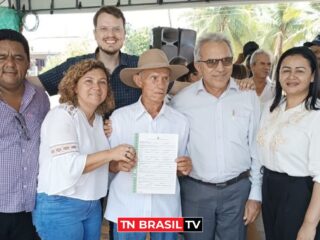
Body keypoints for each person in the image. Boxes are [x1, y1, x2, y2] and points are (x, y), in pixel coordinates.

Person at [32, 59, 136, 240]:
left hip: (92, 204)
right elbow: (69, 166)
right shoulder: (62, 115)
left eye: (102, 82)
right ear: (74, 87)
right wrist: (112, 153)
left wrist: (115, 166)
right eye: (89, 81)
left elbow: (97, 163)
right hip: (60, 204)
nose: (96, 86)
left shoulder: (98, 119)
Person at [171, 32, 262, 240]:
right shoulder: (181, 102)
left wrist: (255, 195)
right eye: (211, 62)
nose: (220, 68)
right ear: (198, 66)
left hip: (237, 193)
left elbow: (257, 148)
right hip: (194, 194)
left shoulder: (248, 97)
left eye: (226, 60)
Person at [105, 49, 192, 240]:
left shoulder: (180, 122)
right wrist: (118, 165)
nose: (161, 84)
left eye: (165, 78)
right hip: (127, 206)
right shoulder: (119, 119)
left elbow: (178, 167)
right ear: (139, 81)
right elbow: (106, 165)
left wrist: (184, 166)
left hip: (165, 208)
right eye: (153, 78)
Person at [257, 46, 320, 240]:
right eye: (286, 70)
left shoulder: (316, 115)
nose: (291, 76)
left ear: (312, 76)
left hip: (299, 194)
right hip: (269, 187)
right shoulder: (270, 108)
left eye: (300, 71)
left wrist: (309, 224)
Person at [28, 6, 141, 109]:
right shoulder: (76, 66)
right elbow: (37, 83)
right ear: (95, 34)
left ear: (124, 33)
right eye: (103, 29)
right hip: (85, 131)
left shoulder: (139, 65)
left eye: (116, 29)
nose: (110, 34)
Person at [0, 29, 50, 240]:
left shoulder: (40, 97)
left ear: (28, 62)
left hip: (32, 207)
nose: (10, 63)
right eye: (2, 57)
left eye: (18, 57)